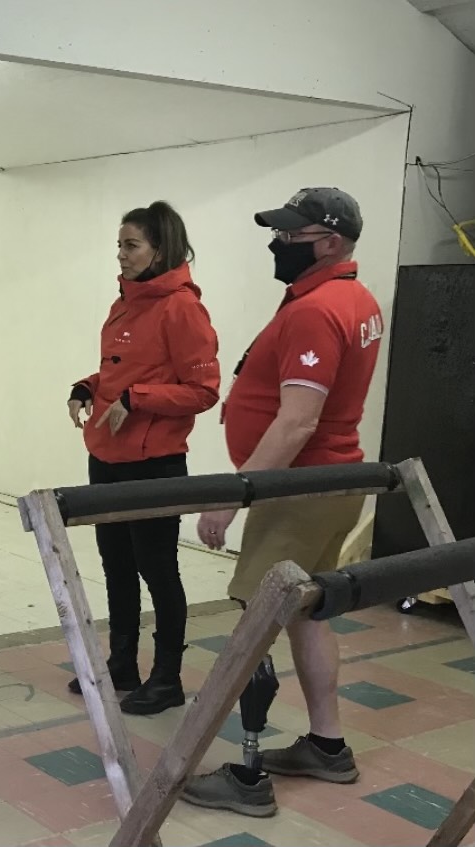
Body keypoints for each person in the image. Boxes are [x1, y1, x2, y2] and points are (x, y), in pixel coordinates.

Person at [182, 187, 382, 817]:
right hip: (334, 483)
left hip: (299, 488)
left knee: (255, 625)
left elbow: (297, 422)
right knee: (307, 614)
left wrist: (237, 496)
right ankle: (327, 746)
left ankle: (246, 777)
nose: (278, 243)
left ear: (329, 242)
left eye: (292, 235)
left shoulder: (317, 310)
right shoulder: (357, 299)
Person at [66, 201, 221, 716]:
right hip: (107, 456)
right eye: (120, 245)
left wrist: (138, 399)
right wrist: (87, 387)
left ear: (161, 248)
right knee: (115, 565)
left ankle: (167, 678)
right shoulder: (126, 303)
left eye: (132, 245)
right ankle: (123, 663)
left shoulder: (182, 307)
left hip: (154, 463)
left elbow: (203, 390)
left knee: (158, 568)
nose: (122, 255)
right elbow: (119, 371)